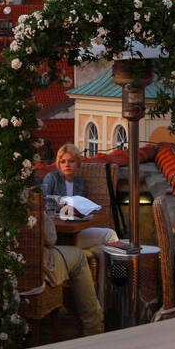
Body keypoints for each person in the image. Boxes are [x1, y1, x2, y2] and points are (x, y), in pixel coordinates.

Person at [41, 143, 119, 300]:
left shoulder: (80, 183)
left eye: (71, 161)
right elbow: (42, 199)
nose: (67, 165)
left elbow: (79, 207)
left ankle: (108, 293)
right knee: (103, 250)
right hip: (58, 235)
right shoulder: (52, 178)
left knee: (110, 235)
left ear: (77, 163)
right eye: (63, 161)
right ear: (58, 164)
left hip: (76, 231)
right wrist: (59, 201)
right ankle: (107, 295)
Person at [39, 193, 104, 335]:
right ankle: (93, 324)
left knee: (97, 244)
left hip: (17, 271)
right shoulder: (32, 204)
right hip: (43, 267)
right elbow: (51, 239)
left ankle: (95, 309)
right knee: (79, 256)